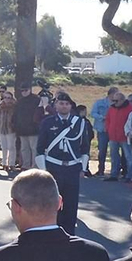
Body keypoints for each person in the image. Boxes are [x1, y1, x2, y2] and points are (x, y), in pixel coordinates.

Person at [38, 91, 92, 232]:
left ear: (70, 106)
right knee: (53, 203)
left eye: (67, 104)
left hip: (72, 169)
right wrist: (44, 171)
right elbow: (40, 148)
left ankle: (69, 235)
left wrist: (83, 168)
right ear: (55, 105)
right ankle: (52, 232)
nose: (64, 106)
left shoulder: (79, 123)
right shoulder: (47, 122)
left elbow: (85, 147)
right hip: (53, 167)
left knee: (71, 204)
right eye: (61, 103)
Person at [104, 88, 132, 182]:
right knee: (114, 156)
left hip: (125, 137)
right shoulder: (112, 108)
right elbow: (108, 119)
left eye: (116, 101)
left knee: (129, 157)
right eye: (113, 100)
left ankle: (130, 175)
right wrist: (108, 129)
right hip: (113, 136)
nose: (114, 102)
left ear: (122, 100)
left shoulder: (130, 109)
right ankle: (114, 174)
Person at [90, 88, 113, 177]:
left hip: (113, 130)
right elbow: (93, 113)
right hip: (102, 130)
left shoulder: (117, 104)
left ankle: (115, 171)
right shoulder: (99, 103)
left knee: (114, 151)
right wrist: (102, 117)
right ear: (110, 94)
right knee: (102, 150)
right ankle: (101, 170)